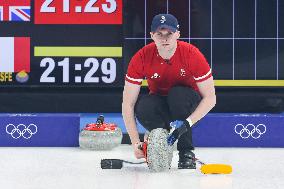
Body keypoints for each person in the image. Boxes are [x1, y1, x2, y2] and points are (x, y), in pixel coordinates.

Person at [122, 14, 216, 169]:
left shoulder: (192, 54)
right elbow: (128, 104)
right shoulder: (141, 57)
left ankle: (186, 152)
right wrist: (135, 143)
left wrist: (187, 123)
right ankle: (160, 142)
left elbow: (211, 98)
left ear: (177, 34)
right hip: (161, 103)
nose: (164, 38)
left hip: (186, 103)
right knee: (144, 106)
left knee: (177, 94)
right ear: (152, 35)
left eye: (169, 34)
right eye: (159, 34)